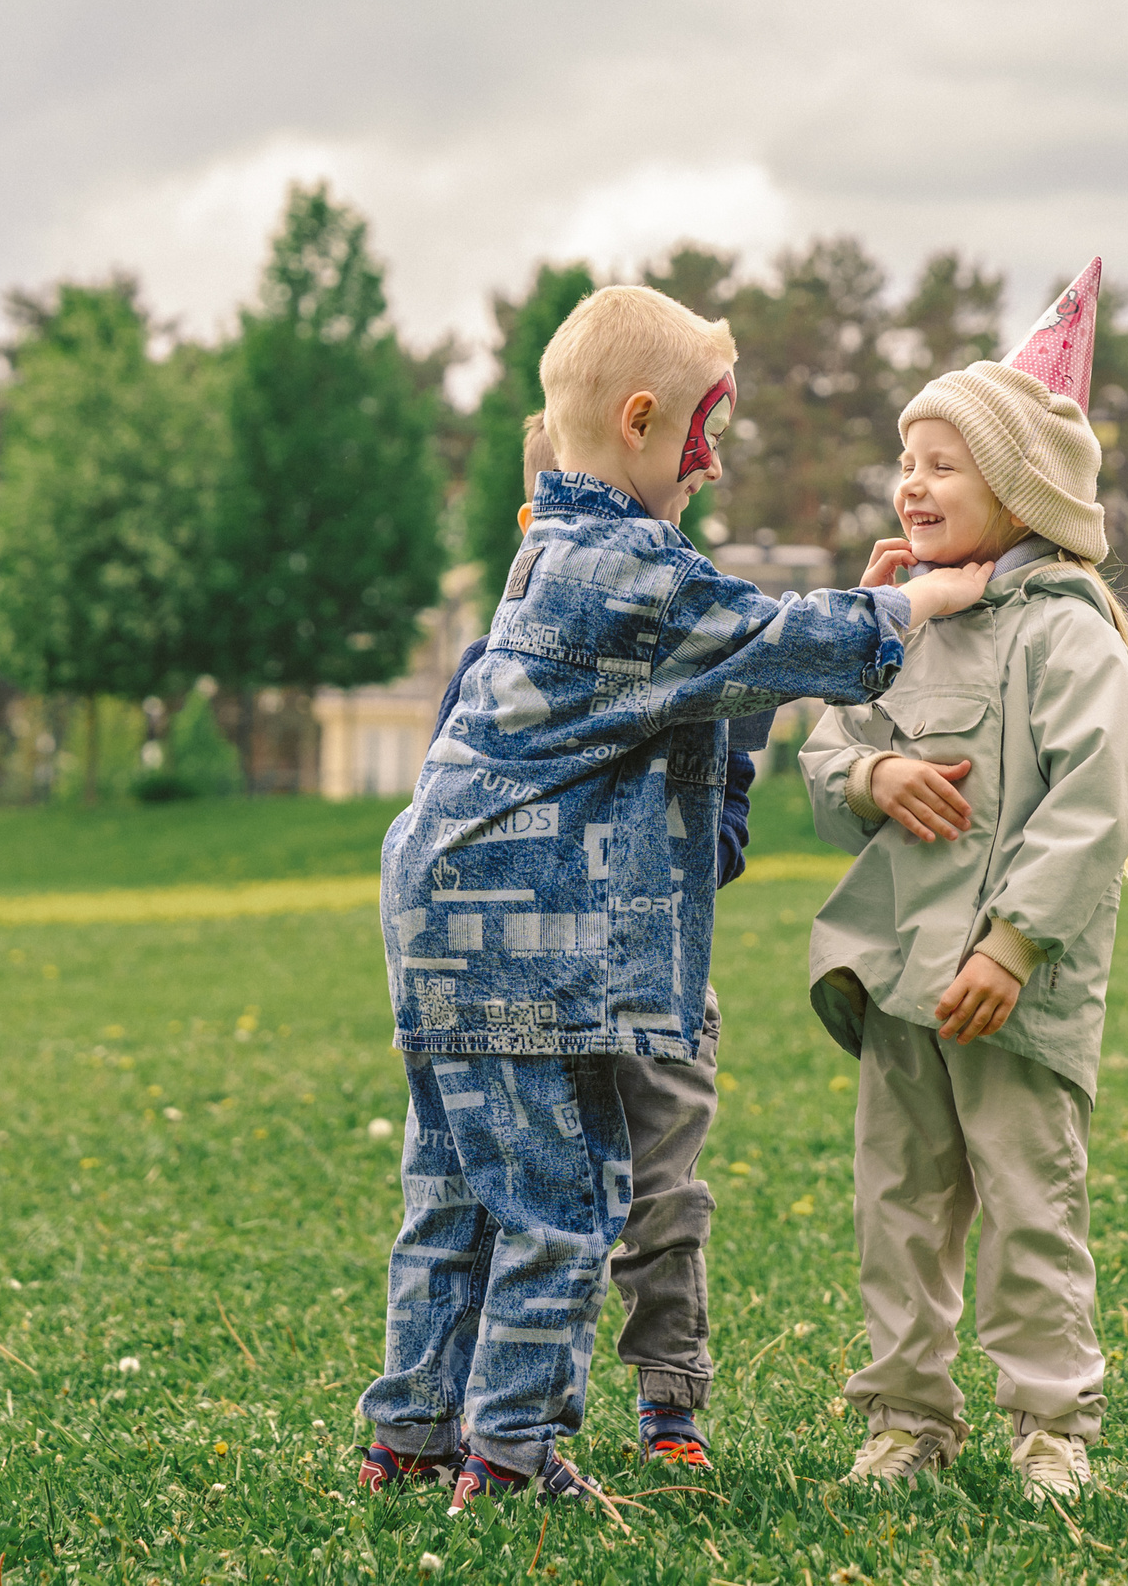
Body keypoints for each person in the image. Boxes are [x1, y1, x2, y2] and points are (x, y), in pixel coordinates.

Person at [358, 285, 995, 1516]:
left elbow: (725, 666)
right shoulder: (619, 562)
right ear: (641, 420)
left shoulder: (552, 547)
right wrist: (923, 601)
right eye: (704, 428)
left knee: (454, 1191)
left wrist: (836, 619)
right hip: (518, 934)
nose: (710, 458)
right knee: (565, 1199)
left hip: (442, 922)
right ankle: (512, 1455)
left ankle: (412, 1432)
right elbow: (764, 641)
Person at [796, 258, 1128, 1503]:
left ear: (1020, 488)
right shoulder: (903, 619)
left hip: (1012, 987)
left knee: (1027, 1203)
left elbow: (1094, 804)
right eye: (908, 460)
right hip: (901, 977)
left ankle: (1050, 1423)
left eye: (943, 463)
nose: (912, 483)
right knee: (896, 1203)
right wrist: (867, 782)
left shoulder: (1068, 634)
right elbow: (828, 740)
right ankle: (906, 1415)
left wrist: (1012, 946)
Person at [356, 414, 753, 1489]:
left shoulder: (687, 647)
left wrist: (657, 871)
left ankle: (666, 1398)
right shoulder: (495, 670)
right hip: (518, 988)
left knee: (657, 1202)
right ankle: (470, 1441)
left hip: (650, 986)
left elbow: (725, 808)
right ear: (532, 525)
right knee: (509, 1204)